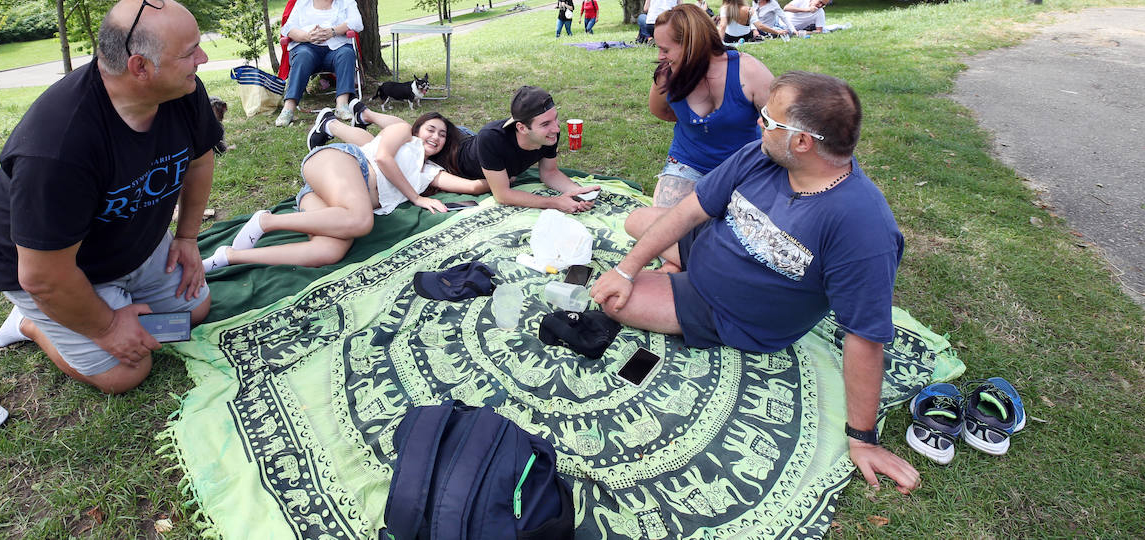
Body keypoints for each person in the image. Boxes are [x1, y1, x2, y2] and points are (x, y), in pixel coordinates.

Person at [590, 72, 917, 494]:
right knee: (635, 222)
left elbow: (865, 337)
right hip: (709, 246)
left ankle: (674, 284)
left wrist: (863, 438)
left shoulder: (862, 228)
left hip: (728, 310)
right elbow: (692, 210)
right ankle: (669, 271)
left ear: (803, 141)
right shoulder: (763, 154)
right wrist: (625, 269)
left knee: (614, 304)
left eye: (769, 119)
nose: (758, 123)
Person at [0, 0, 222, 394]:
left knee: (192, 314)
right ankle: (30, 323)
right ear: (140, 67)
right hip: (56, 271)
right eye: (190, 52)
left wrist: (188, 238)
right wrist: (108, 328)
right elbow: (43, 276)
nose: (203, 59)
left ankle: (116, 300)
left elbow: (199, 159)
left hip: (127, 242)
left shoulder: (182, 90)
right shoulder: (57, 147)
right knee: (126, 373)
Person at [204, 106, 488, 270]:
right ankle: (266, 221)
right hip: (343, 162)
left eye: (442, 135)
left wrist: (502, 176)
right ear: (418, 129)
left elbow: (475, 187)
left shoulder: (430, 172)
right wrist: (415, 198)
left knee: (330, 250)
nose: (436, 136)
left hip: (323, 196)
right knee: (361, 220)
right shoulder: (403, 133)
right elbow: (382, 158)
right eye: (431, 129)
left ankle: (230, 257)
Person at [646, 5, 773, 207]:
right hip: (687, 164)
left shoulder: (748, 71)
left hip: (743, 168)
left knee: (737, 232)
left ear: (691, 44)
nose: (660, 56)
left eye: (666, 49)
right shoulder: (667, 73)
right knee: (663, 227)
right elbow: (659, 110)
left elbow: (780, 125)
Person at [453, 86, 597, 213]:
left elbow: (549, 172)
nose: (556, 128)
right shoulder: (491, 139)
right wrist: (555, 202)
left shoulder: (550, 134)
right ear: (522, 128)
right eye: (545, 124)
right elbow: (502, 195)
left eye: (555, 118)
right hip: (451, 155)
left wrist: (577, 191)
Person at [276, 0, 365, 127]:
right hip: (307, 47)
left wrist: (332, 32)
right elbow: (288, 28)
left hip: (336, 47)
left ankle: (342, 105)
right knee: (302, 55)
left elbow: (357, 23)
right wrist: (307, 36)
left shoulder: (345, 0)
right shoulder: (303, 0)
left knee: (347, 53)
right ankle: (288, 108)